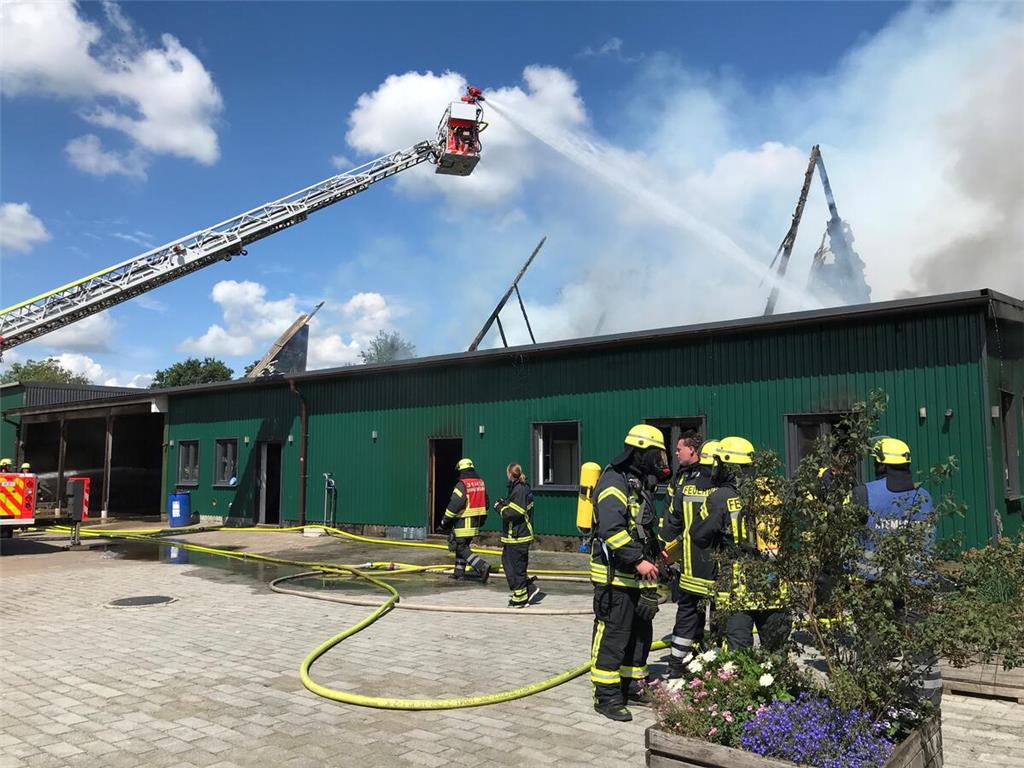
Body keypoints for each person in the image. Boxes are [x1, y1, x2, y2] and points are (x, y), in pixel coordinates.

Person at [589, 424, 670, 722]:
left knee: (639, 635)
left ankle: (632, 685)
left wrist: (656, 547)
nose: (660, 461)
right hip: (614, 577)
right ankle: (606, 696)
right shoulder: (614, 481)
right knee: (614, 635)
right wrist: (638, 560)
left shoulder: (637, 481)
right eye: (656, 454)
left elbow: (641, 523)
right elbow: (611, 530)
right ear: (640, 451)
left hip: (636, 576)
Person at [853, 437, 940, 708]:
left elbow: (849, 535)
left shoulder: (864, 493)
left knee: (873, 646)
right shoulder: (923, 496)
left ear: (879, 463)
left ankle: (872, 703)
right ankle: (928, 703)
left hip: (875, 587)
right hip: (917, 585)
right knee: (921, 648)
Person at [691, 437, 790, 652]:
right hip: (774, 588)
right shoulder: (773, 492)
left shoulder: (720, 497)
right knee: (776, 653)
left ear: (727, 465)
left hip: (736, 592)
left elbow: (698, 534)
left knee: (737, 657)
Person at [658, 435, 718, 677]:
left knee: (687, 616)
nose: (675, 453)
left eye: (679, 448)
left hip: (691, 568)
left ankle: (677, 667)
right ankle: (717, 667)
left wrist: (662, 550)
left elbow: (670, 522)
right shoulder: (727, 491)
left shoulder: (685, 487)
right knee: (720, 619)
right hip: (718, 571)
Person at [438, 458, 492, 583]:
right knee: (462, 546)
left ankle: (482, 566)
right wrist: (483, 518)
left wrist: (445, 520)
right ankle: (459, 573)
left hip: (464, 522)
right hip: (476, 521)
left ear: (461, 470)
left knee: (461, 547)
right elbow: (486, 502)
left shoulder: (462, 484)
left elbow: (455, 504)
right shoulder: (481, 483)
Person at [495, 463, 539, 608]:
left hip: (519, 536)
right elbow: (514, 504)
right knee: (509, 564)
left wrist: (499, 508)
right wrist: (504, 502)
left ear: (510, 473)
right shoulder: (518, 488)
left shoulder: (519, 489)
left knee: (516, 568)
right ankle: (524, 592)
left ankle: (521, 599)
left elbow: (515, 512)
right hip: (514, 535)